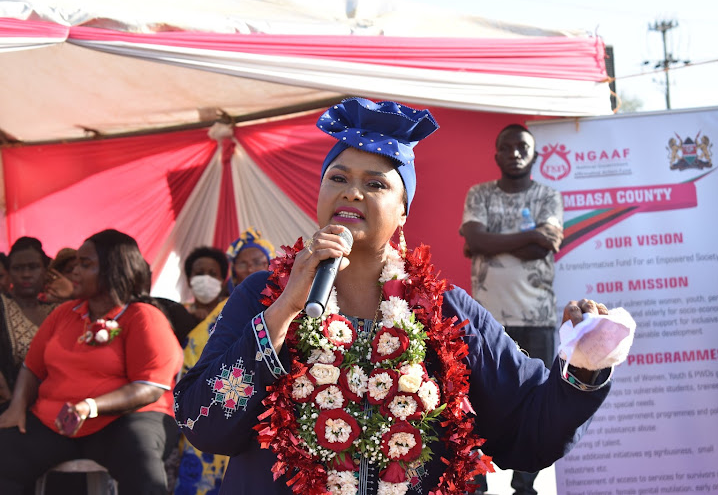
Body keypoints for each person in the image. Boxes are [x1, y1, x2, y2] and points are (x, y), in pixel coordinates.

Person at [174, 98, 622, 495]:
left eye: (376, 184)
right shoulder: (263, 293)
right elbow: (202, 421)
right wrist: (284, 310)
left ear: (404, 209)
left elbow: (527, 426)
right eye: (338, 177)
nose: (352, 191)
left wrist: (582, 368)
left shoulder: (445, 311)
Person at [0, 229, 183, 495]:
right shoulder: (64, 313)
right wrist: (17, 407)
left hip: (127, 420)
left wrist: (90, 406)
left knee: (140, 458)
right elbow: (31, 367)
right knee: (5, 452)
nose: (74, 271)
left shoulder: (143, 316)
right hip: (59, 422)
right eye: (76, 263)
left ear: (113, 269)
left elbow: (149, 386)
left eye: (86, 265)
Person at [460, 123, 564, 494]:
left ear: (534, 155)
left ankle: (525, 487)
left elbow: (542, 248)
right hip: (485, 321)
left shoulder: (548, 195)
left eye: (523, 147)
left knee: (538, 403)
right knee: (473, 403)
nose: (515, 153)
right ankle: (477, 485)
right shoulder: (480, 194)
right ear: (497, 155)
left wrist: (490, 244)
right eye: (507, 147)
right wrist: (530, 236)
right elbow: (472, 237)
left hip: (536, 317)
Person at [175, 227, 275, 495]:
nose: (249, 268)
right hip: (204, 403)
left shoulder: (281, 308)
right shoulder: (226, 309)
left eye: (257, 261)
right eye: (242, 262)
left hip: (247, 415)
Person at [0, 238, 57, 410]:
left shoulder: (61, 309)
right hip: (12, 406)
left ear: (46, 271)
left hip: (61, 404)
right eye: (18, 268)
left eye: (33, 267)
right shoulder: (2, 306)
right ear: (8, 273)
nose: (25, 274)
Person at [183, 246, 229, 323]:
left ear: (222, 282)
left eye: (213, 274)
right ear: (189, 281)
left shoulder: (233, 309)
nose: (206, 279)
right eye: (199, 273)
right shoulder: (180, 313)